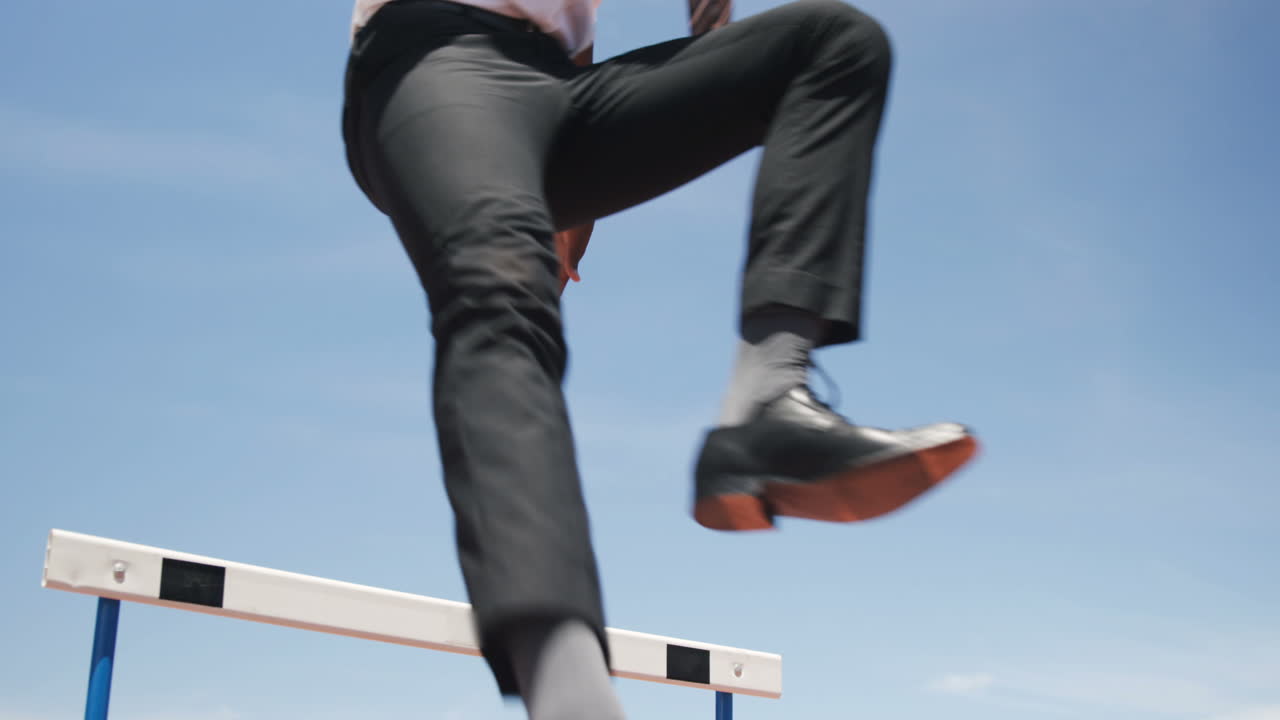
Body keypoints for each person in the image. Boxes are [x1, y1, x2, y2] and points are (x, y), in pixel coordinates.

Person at [339, 0, 979, 717]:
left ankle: (766, 402)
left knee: (832, 43)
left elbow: (584, 48)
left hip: (559, 89)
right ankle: (568, 691)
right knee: (501, 299)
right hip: (436, 60)